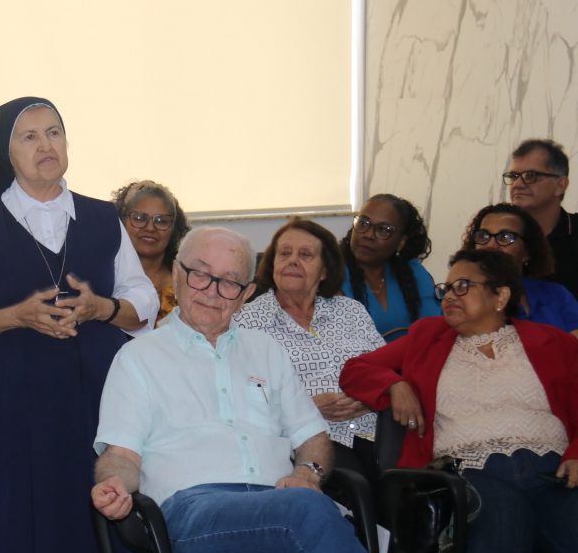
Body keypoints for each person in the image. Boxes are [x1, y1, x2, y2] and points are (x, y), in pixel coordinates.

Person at [92, 227, 399, 553]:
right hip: (194, 518)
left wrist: (307, 472)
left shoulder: (267, 351)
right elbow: (120, 455)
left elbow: (313, 436)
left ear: (247, 293)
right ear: (178, 274)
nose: (212, 291)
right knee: (306, 509)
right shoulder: (138, 357)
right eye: (200, 274)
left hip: (275, 512)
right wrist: (113, 483)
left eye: (229, 282)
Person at [0, 97, 157, 553]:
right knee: (25, 521)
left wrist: (104, 308)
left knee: (103, 505)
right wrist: (16, 316)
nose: (45, 145)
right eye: (29, 136)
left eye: (54, 132)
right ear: (6, 152)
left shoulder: (102, 218)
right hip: (16, 398)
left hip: (99, 393)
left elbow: (143, 298)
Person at [340, 249, 578, 553]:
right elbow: (356, 369)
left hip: (554, 476)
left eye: (463, 286)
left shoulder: (554, 342)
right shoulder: (427, 337)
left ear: (500, 296)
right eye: (446, 288)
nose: (449, 295)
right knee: (499, 519)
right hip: (472, 478)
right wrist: (394, 385)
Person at [235, 218, 385, 486]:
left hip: (376, 432)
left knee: (408, 483)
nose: (293, 261)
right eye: (285, 253)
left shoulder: (351, 312)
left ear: (324, 270)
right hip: (311, 443)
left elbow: (387, 369)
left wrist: (371, 398)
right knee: (359, 487)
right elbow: (244, 398)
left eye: (305, 255)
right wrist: (305, 409)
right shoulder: (247, 322)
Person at [460, 202, 578, 334]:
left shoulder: (556, 296)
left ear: (527, 252)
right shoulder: (460, 297)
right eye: (483, 236)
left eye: (505, 237)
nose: (491, 245)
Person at [341, 194, 442, 341]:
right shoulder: (332, 274)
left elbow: (433, 327)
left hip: (415, 354)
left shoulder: (411, 271)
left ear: (401, 242)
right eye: (363, 223)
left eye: (383, 229)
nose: (368, 235)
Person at [504, 139, 578, 299]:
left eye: (530, 176)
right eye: (514, 176)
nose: (517, 184)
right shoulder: (498, 237)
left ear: (561, 185)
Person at [111, 180, 190, 325]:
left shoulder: (188, 286)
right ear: (122, 222)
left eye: (161, 221)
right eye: (139, 218)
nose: (150, 228)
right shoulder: (103, 280)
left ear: (174, 228)